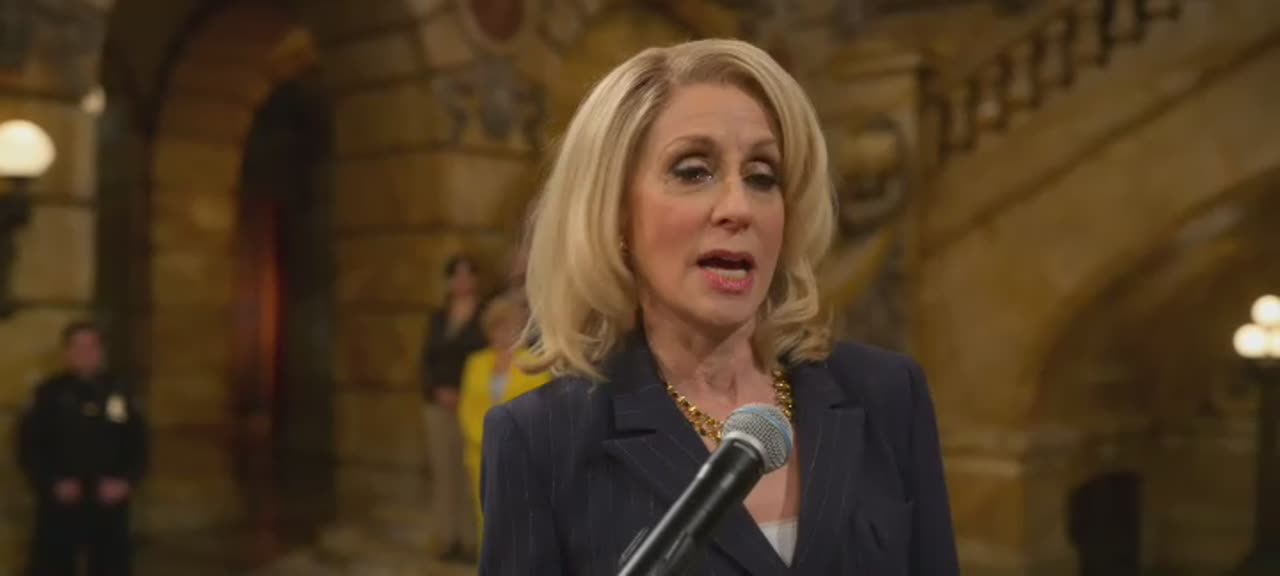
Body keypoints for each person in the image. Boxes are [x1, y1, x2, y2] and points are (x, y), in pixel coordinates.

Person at [478, 39, 959, 575]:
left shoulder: (888, 396)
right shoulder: (541, 440)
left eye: (762, 176)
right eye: (693, 171)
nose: (739, 207)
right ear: (615, 213)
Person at [18, 320, 147, 576]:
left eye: (91, 347)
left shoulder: (119, 391)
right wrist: (52, 482)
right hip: (61, 501)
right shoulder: (49, 394)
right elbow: (30, 446)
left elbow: (137, 442)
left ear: (101, 351)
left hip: (108, 501)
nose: (85, 353)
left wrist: (125, 481)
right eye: (78, 347)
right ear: (67, 352)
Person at [456, 294, 550, 534]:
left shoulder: (535, 363)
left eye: (511, 328)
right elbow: (467, 408)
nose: (505, 334)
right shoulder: (475, 363)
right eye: (499, 328)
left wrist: (510, 441)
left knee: (518, 522)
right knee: (486, 521)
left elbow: (542, 412)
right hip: (481, 454)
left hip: (522, 455)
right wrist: (487, 439)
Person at [420, 254, 488, 560]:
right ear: (448, 281)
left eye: (467, 274)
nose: (461, 281)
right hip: (437, 403)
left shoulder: (485, 315)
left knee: (469, 473)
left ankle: (471, 541)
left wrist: (463, 393)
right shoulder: (437, 317)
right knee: (443, 471)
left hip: (472, 404)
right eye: (456, 275)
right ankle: (447, 538)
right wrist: (438, 390)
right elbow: (426, 359)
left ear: (476, 279)